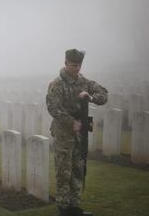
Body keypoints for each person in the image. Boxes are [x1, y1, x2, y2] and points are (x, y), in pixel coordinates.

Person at [46, 49, 108, 216]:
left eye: (79, 65)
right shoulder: (57, 84)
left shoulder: (84, 81)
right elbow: (53, 107)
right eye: (74, 65)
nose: (77, 68)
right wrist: (71, 122)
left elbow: (103, 94)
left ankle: (75, 206)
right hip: (63, 133)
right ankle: (63, 208)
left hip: (80, 133)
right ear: (66, 63)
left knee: (78, 169)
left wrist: (90, 97)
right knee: (64, 170)